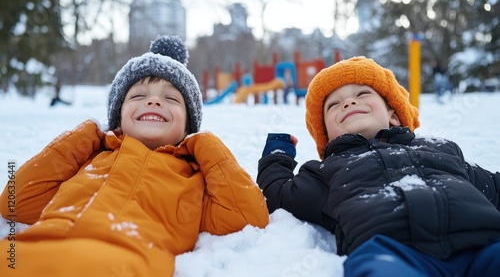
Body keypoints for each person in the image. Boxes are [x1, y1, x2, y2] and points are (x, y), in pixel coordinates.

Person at [0, 35, 269, 276]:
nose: (153, 101)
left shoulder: (192, 180)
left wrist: (205, 144)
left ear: (188, 126)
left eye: (171, 99)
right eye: (138, 95)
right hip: (25, 257)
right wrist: (89, 134)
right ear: (117, 119)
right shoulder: (91, 162)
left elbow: (246, 216)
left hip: (124, 265)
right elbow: (16, 201)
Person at [257, 56, 500, 276]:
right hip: (391, 252)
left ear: (393, 115)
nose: (349, 102)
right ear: (327, 136)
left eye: (362, 94)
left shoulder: (440, 149)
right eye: (333, 105)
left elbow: (493, 187)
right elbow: (278, 193)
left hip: (483, 240)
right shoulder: (326, 173)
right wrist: (278, 152)